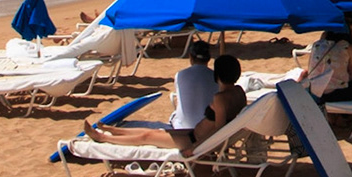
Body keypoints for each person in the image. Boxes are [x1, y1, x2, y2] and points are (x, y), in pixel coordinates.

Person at [82, 54, 245, 156]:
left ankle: (102, 137)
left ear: (217, 74)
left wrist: (195, 148)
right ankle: (114, 130)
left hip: (195, 140)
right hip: (194, 133)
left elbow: (220, 130)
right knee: (155, 131)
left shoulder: (220, 98)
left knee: (146, 137)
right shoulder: (239, 92)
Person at [300, 11, 352, 103]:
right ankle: (350, 116)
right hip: (335, 94)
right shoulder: (347, 48)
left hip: (315, 91)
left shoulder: (319, 43)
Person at [169, 40, 217, 135]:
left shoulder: (180, 75)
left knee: (174, 116)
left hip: (185, 128)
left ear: (190, 56)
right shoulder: (216, 76)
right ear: (209, 58)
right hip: (208, 128)